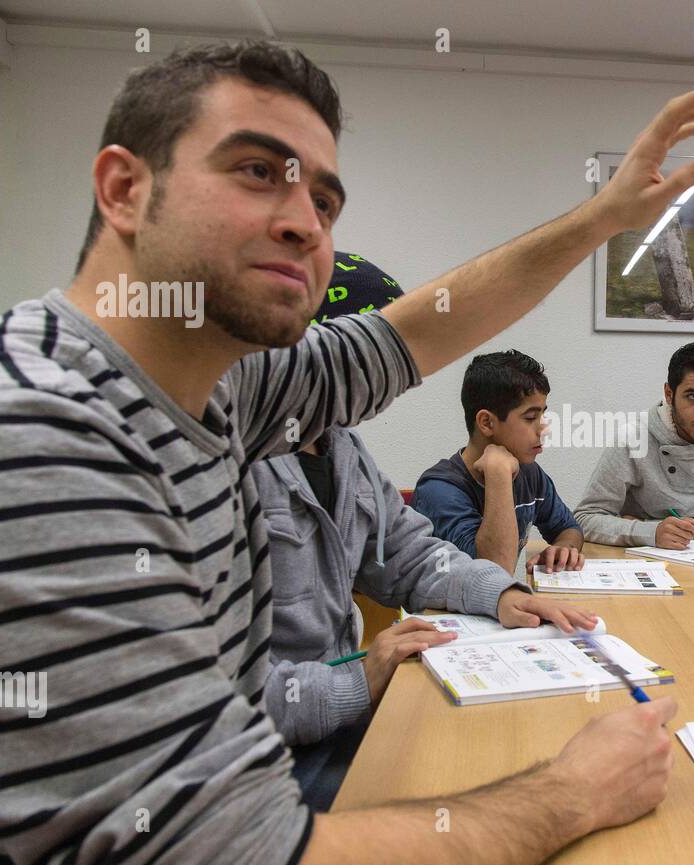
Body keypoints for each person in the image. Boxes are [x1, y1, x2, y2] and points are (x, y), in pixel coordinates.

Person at [0, 38, 694, 865]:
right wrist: (572, 793)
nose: (303, 224)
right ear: (124, 189)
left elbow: (415, 332)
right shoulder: (36, 436)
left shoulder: (229, 388)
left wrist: (602, 219)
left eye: (325, 201)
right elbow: (229, 856)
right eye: (256, 171)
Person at [252, 255, 593, 811]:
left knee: (500, 761)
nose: (393, 384)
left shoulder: (345, 452)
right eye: (382, 359)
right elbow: (206, 702)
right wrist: (359, 680)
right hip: (271, 765)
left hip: (339, 725)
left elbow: (411, 556)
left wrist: (501, 594)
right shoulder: (232, 464)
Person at [413, 350, 586, 574]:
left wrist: (564, 548)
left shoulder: (529, 473)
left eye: (543, 415)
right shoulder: (439, 490)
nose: (543, 428)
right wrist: (498, 475)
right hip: (443, 608)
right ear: (486, 422)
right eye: (530, 418)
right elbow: (492, 570)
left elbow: (569, 528)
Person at [575, 340, 694, 549]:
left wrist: (660, 529)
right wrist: (651, 533)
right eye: (693, 396)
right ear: (669, 394)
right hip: (645, 565)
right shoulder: (634, 436)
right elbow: (585, 518)